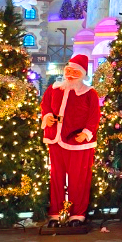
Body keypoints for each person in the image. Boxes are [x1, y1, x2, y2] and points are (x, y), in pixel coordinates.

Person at [40, 54, 100, 223]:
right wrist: (47, 117)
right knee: (56, 177)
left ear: (83, 74)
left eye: (76, 72)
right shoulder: (54, 89)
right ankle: (56, 212)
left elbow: (94, 115)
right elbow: (45, 106)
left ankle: (77, 214)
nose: (71, 75)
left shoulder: (89, 93)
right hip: (55, 139)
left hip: (79, 142)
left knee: (78, 178)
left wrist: (86, 133)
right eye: (69, 70)